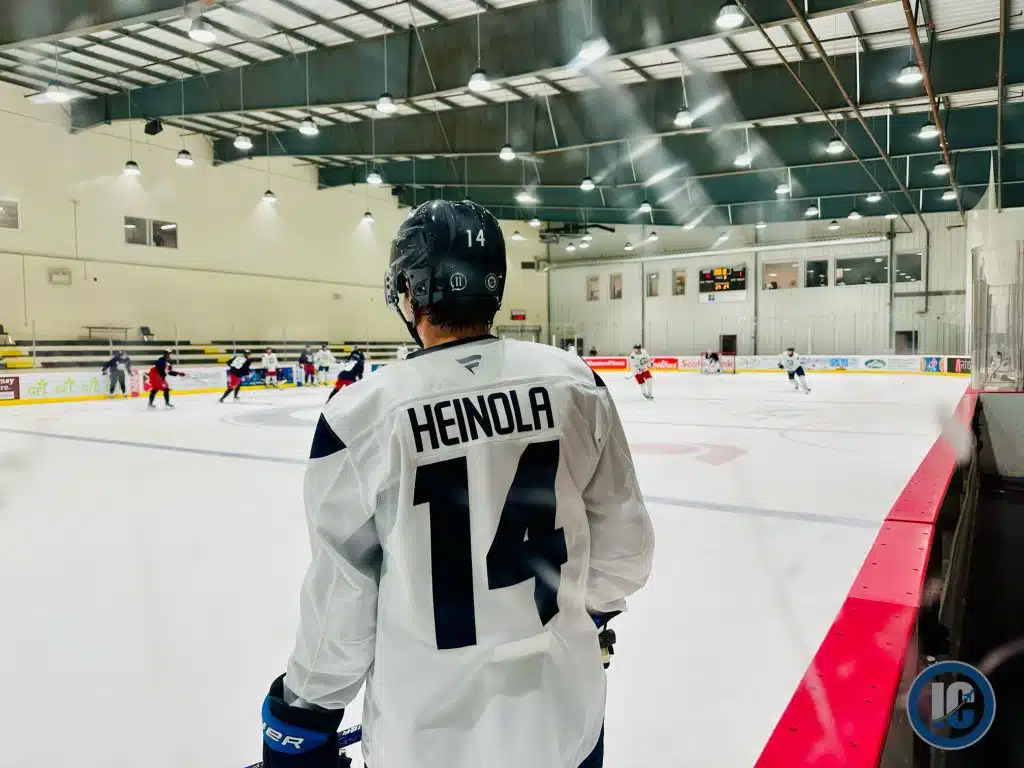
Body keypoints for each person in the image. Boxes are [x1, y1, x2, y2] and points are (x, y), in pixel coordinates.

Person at [260, 199, 654, 768]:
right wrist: (583, 619)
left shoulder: (361, 416)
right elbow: (625, 550)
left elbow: (341, 601)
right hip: (563, 721)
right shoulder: (574, 384)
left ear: (410, 291)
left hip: (425, 740)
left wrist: (303, 717)